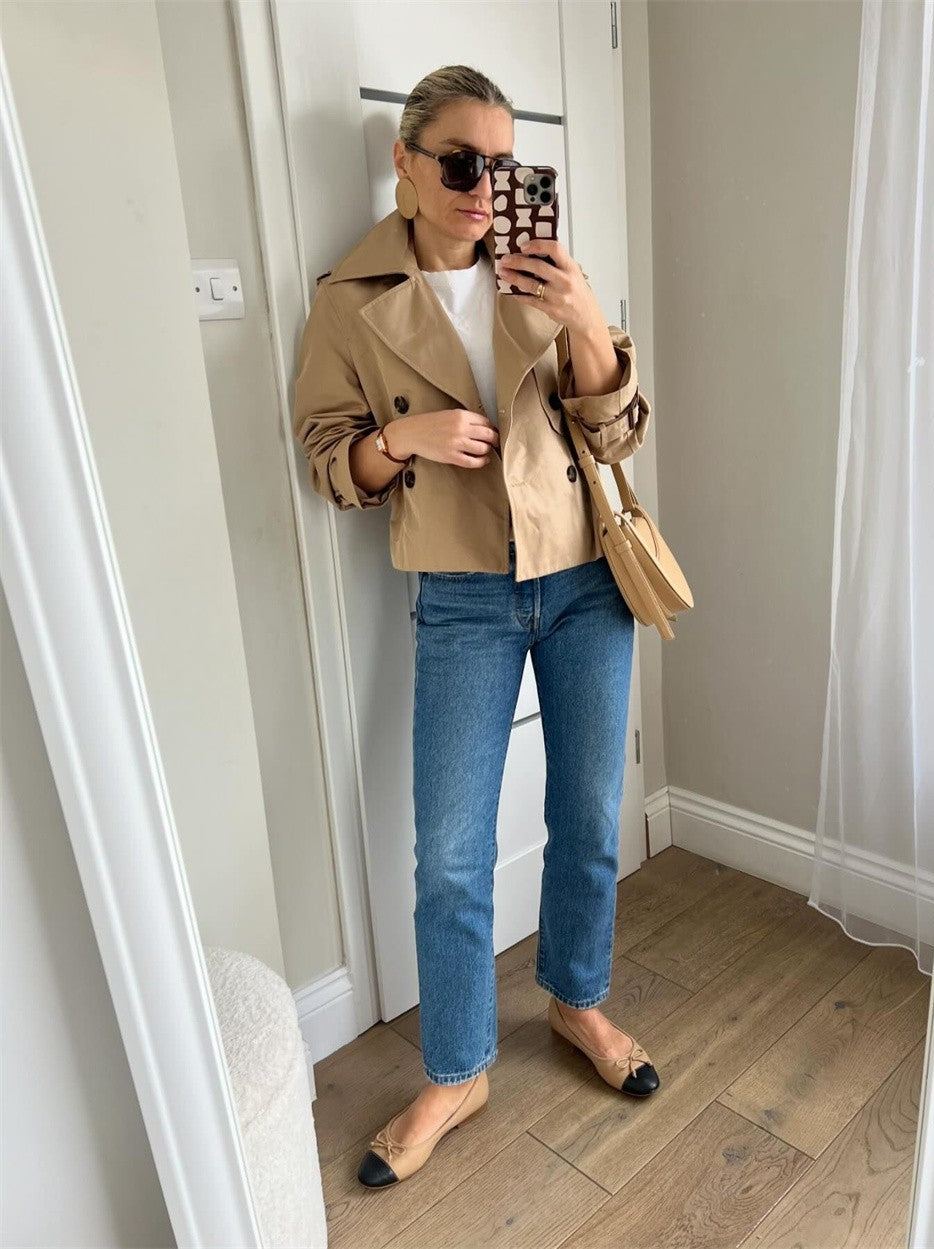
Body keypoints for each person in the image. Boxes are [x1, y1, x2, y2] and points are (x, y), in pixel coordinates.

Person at [292, 64, 659, 1189]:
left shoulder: (539, 269)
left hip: (584, 573)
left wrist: (583, 317)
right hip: (461, 591)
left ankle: (577, 1001)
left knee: (586, 815)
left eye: (502, 165)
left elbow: (618, 430)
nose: (484, 188)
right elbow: (327, 458)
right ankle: (457, 1070)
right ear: (403, 162)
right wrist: (402, 440)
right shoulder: (348, 300)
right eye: (460, 163)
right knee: (449, 852)